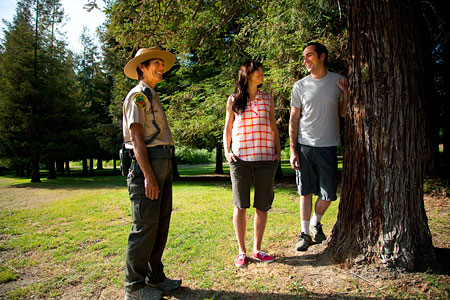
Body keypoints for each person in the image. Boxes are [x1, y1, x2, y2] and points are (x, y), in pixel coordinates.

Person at [122, 47, 181, 300]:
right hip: (148, 162)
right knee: (145, 226)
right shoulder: (138, 96)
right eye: (156, 63)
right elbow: (136, 139)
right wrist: (147, 176)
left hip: (163, 159)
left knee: (160, 223)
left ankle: (154, 278)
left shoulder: (151, 94)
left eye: (162, 63)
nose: (161, 67)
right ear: (142, 68)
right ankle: (134, 287)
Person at [289, 42, 348, 252]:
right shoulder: (300, 86)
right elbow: (294, 118)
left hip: (329, 146)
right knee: (305, 192)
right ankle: (304, 233)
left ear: (322, 56)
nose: (305, 60)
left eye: (310, 56)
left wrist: (345, 93)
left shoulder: (338, 81)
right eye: (304, 57)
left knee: (328, 194)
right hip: (305, 146)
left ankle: (316, 222)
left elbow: (343, 113)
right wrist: (293, 149)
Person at [223, 60, 281, 268]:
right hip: (241, 160)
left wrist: (278, 151)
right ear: (247, 75)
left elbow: (273, 125)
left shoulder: (267, 98)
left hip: (266, 159)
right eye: (258, 71)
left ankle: (257, 249)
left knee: (262, 206)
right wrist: (227, 152)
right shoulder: (234, 99)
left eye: (262, 71)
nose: (262, 74)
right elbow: (228, 129)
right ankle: (242, 251)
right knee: (241, 205)